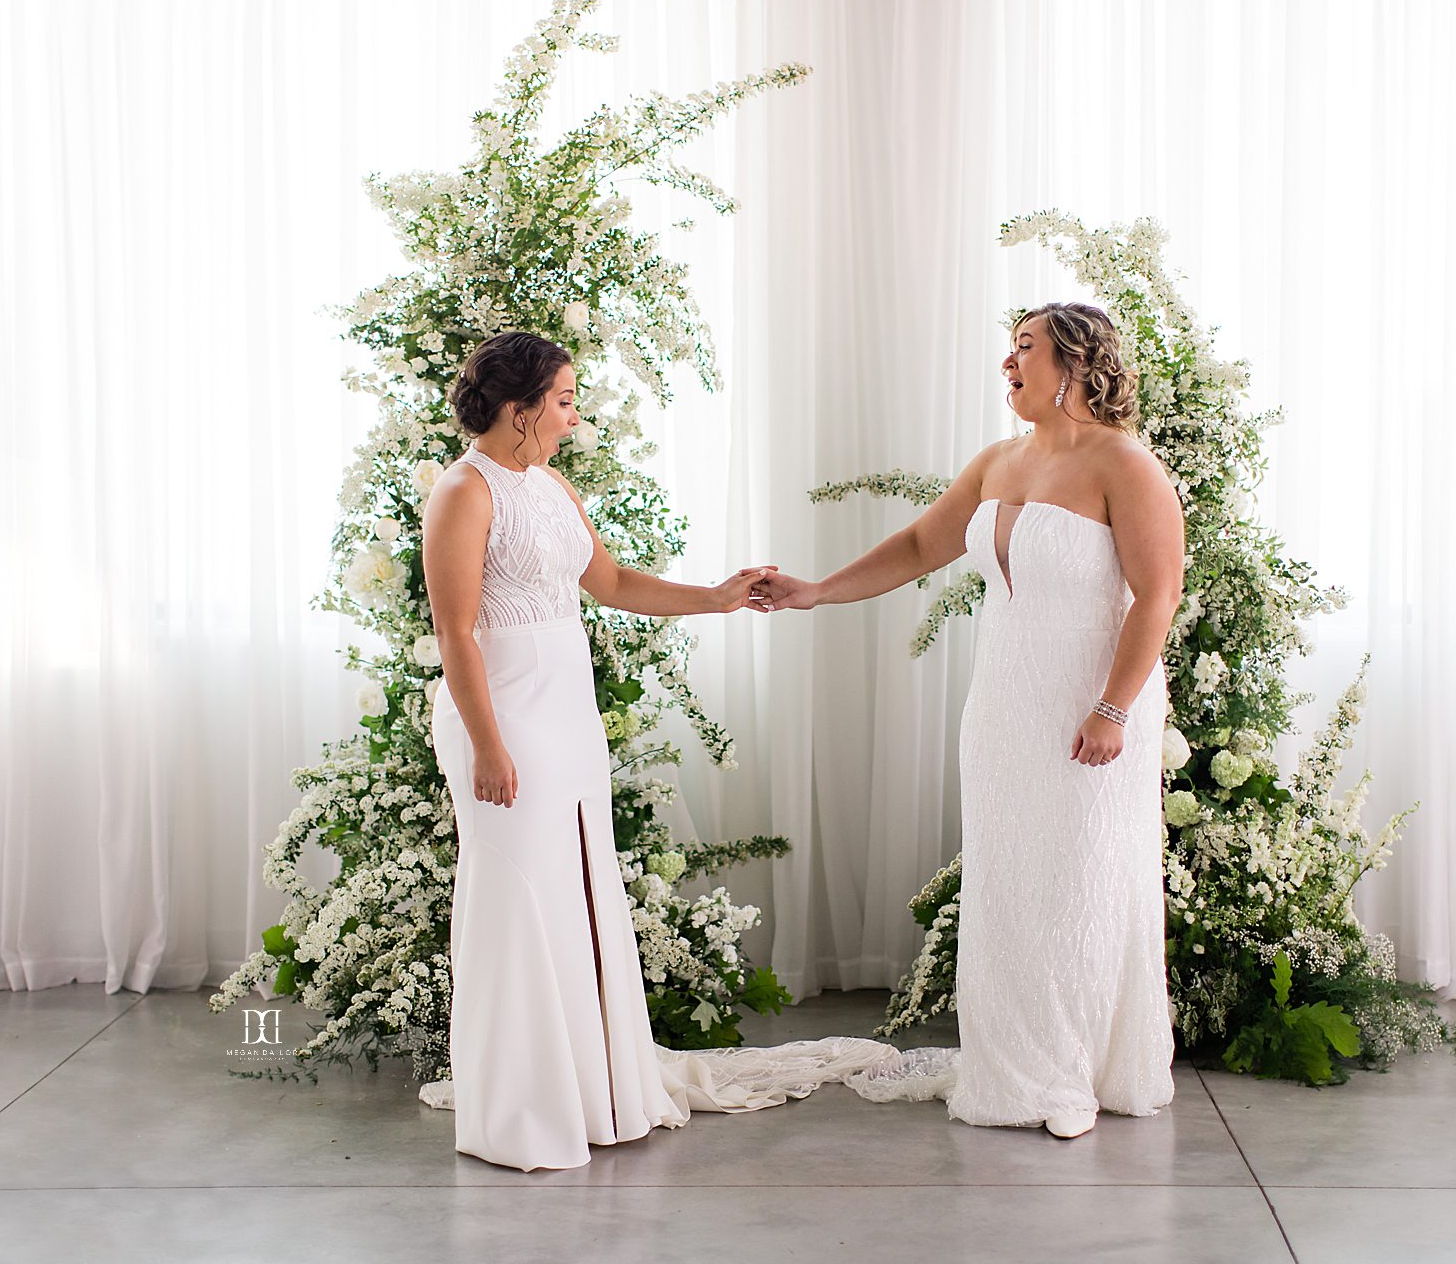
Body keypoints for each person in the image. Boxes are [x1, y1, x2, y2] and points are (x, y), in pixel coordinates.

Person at [417, 330, 892, 1171]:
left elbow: (612, 583)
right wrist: (487, 744)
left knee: (575, 894)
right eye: (562, 399)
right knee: (518, 898)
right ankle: (522, 1109)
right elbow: (454, 629)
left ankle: (588, 1091)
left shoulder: (549, 483)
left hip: (568, 715)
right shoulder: (464, 490)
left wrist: (716, 598)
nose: (573, 413)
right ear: (519, 407)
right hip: (506, 716)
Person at [756, 302, 1186, 1138]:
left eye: (1023, 349)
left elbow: (1156, 595)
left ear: (1073, 363)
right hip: (1005, 701)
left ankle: (1077, 1071)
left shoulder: (1124, 464)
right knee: (1011, 881)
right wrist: (814, 590)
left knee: (1082, 879)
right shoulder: (998, 461)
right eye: (1009, 349)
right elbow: (921, 546)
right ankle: (1017, 1068)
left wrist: (1112, 706)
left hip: (1093, 701)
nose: (1008, 364)